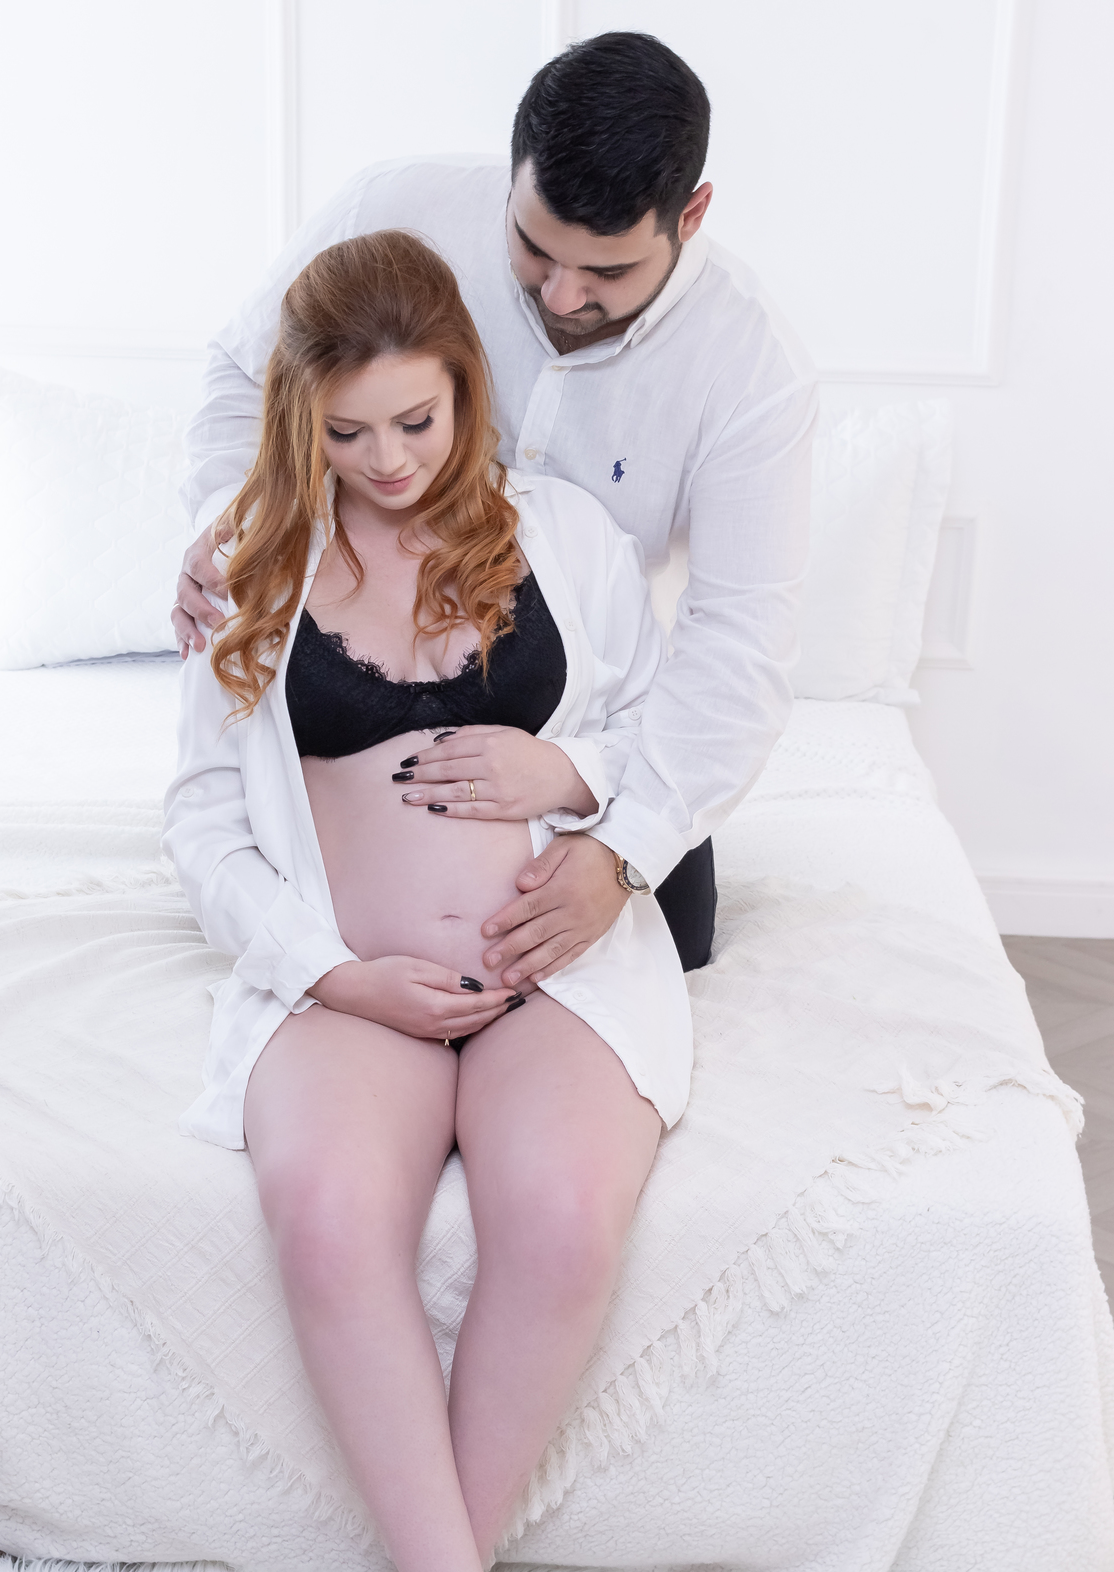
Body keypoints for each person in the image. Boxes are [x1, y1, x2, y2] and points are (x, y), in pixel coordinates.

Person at [162, 228, 693, 1572]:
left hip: (551, 966)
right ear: (298, 417)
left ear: (466, 388)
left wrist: (566, 770)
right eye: (349, 432)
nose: (390, 462)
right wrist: (329, 971)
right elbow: (203, 820)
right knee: (327, 1213)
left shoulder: (567, 540)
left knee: (565, 1213)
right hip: (348, 983)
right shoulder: (251, 559)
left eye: (418, 419)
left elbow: (671, 732)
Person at [172, 30, 817, 994]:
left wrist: (624, 853)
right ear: (512, 171)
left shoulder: (752, 372)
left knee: (669, 967)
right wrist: (241, 524)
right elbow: (242, 372)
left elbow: (739, 647)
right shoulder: (392, 209)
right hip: (346, 725)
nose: (562, 294)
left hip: (587, 725)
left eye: (607, 274)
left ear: (691, 215)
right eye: (533, 248)